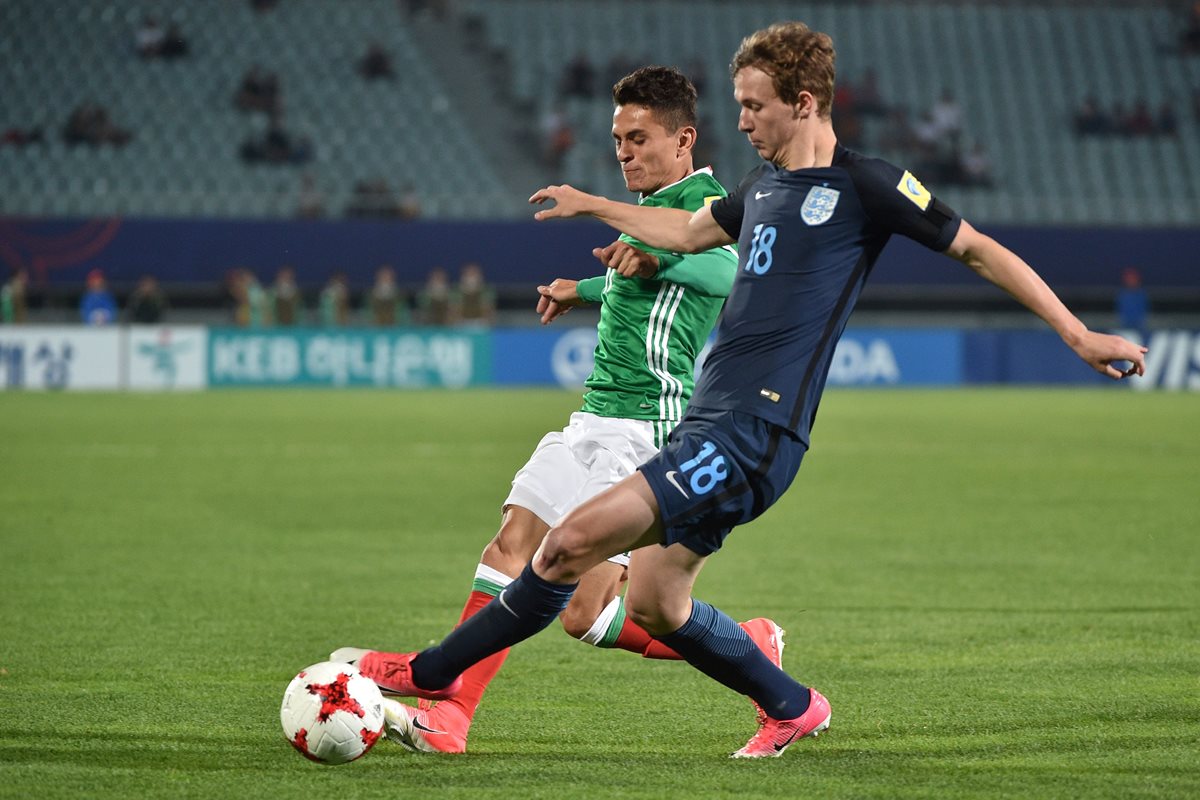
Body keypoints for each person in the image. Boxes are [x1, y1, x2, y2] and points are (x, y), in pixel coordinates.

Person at [336, 23, 1147, 760]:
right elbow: (685, 233)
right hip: (710, 428)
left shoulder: (871, 185)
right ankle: (791, 704)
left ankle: (430, 674)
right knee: (653, 605)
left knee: (563, 547)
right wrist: (593, 207)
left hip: (751, 434)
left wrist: (1077, 333)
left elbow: (977, 250)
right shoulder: (758, 191)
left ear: (803, 103)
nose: (746, 120)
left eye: (755, 106)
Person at [338, 66, 762, 756]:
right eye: (618, 139)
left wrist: (630, 238)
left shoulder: (702, 204)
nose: (624, 151)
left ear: (683, 139)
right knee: (512, 547)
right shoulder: (655, 213)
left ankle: (750, 651)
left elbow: (722, 271)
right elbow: (644, 275)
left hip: (646, 434)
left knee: (587, 612)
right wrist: (586, 287)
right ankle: (451, 718)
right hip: (590, 422)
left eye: (639, 138)